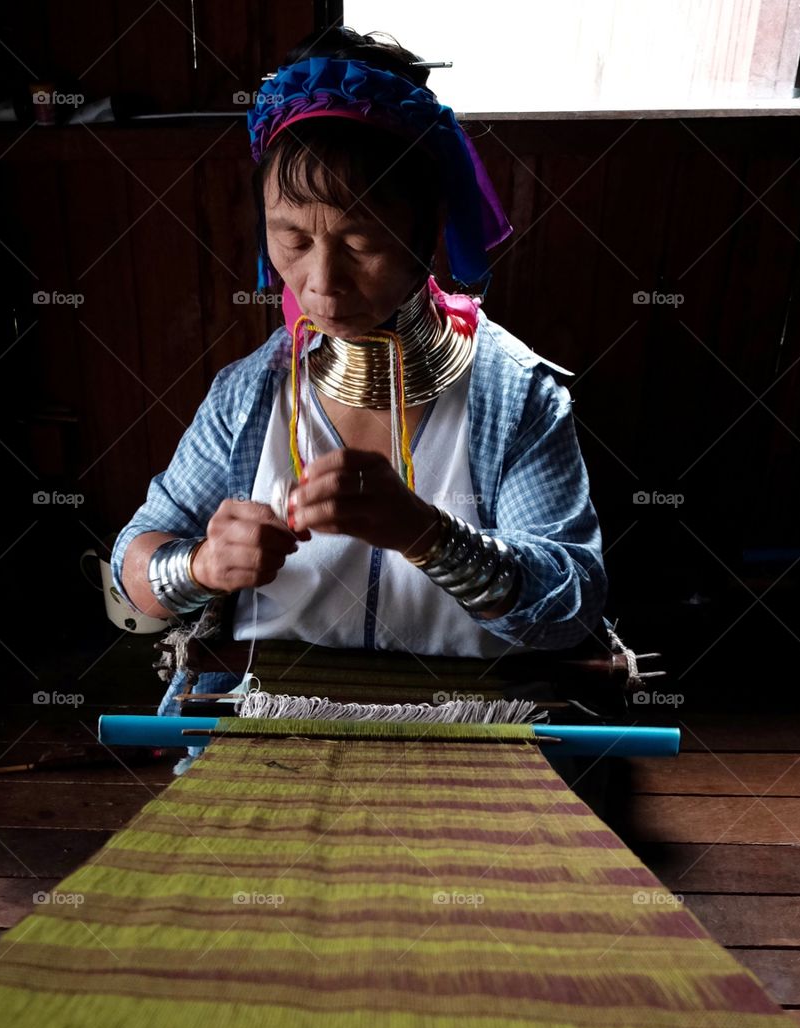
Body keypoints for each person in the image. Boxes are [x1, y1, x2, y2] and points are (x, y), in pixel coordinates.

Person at [112, 26, 607, 716]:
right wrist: (196, 565)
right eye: (293, 237)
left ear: (423, 229)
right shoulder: (249, 395)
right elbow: (127, 575)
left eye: (360, 240)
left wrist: (426, 534)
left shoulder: (512, 396)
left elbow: (571, 606)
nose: (322, 282)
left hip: (471, 721)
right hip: (269, 720)